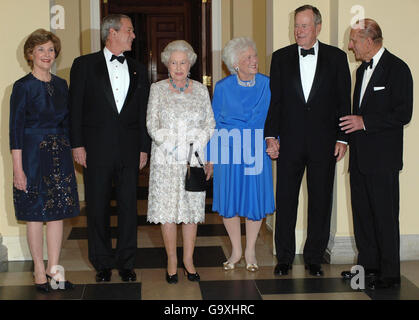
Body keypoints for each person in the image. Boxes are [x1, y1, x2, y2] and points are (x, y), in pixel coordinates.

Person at [264, 5, 351, 277]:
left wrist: (342, 138)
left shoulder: (337, 58)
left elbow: (343, 100)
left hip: (324, 142)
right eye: (296, 26)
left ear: (318, 27)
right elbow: (275, 101)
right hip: (289, 141)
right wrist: (270, 136)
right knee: (286, 200)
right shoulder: (280, 58)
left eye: (304, 26)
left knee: (321, 200)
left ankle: (314, 257)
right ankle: (285, 257)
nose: (298, 31)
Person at [69, 14, 150, 282]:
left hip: (129, 150)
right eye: (129, 30)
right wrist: (77, 144)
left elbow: (142, 114)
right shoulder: (83, 65)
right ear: (112, 32)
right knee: (97, 206)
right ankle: (102, 263)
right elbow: (75, 110)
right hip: (95, 149)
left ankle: (127, 262)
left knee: (129, 207)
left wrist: (143, 147)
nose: (133, 35)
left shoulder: (139, 68)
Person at [340, 19, 413, 290]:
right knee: (362, 216)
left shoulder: (398, 69)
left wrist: (365, 121)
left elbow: (403, 113)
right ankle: (366, 268)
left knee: (384, 215)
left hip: (383, 160)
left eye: (354, 41)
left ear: (369, 42)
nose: (350, 46)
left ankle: (390, 273)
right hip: (359, 158)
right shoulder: (360, 71)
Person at [10, 29, 79, 292]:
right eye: (41, 50)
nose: (47, 54)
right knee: (35, 215)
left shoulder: (61, 85)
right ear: (30, 54)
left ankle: (55, 270)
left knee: (58, 213)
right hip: (31, 156)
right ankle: (39, 270)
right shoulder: (22, 86)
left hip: (59, 153)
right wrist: (18, 168)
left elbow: (68, 123)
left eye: (50, 49)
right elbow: (15, 131)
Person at [146, 40, 215, 284]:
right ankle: (172, 260)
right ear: (166, 63)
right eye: (173, 62)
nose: (178, 67)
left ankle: (188, 260)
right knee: (167, 212)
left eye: (183, 62)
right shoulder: (157, 89)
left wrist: (195, 147)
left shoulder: (201, 89)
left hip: (194, 159)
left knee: (190, 212)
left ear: (190, 64)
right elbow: (152, 124)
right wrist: (174, 147)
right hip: (165, 160)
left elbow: (210, 123)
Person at [206, 37, 275, 272]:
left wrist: (275, 141)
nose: (254, 60)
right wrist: (211, 157)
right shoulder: (223, 87)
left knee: (253, 201)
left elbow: (277, 120)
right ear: (235, 63)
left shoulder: (267, 84)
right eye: (248, 57)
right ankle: (236, 250)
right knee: (230, 201)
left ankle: (251, 250)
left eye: (254, 56)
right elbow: (213, 123)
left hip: (256, 150)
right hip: (228, 151)